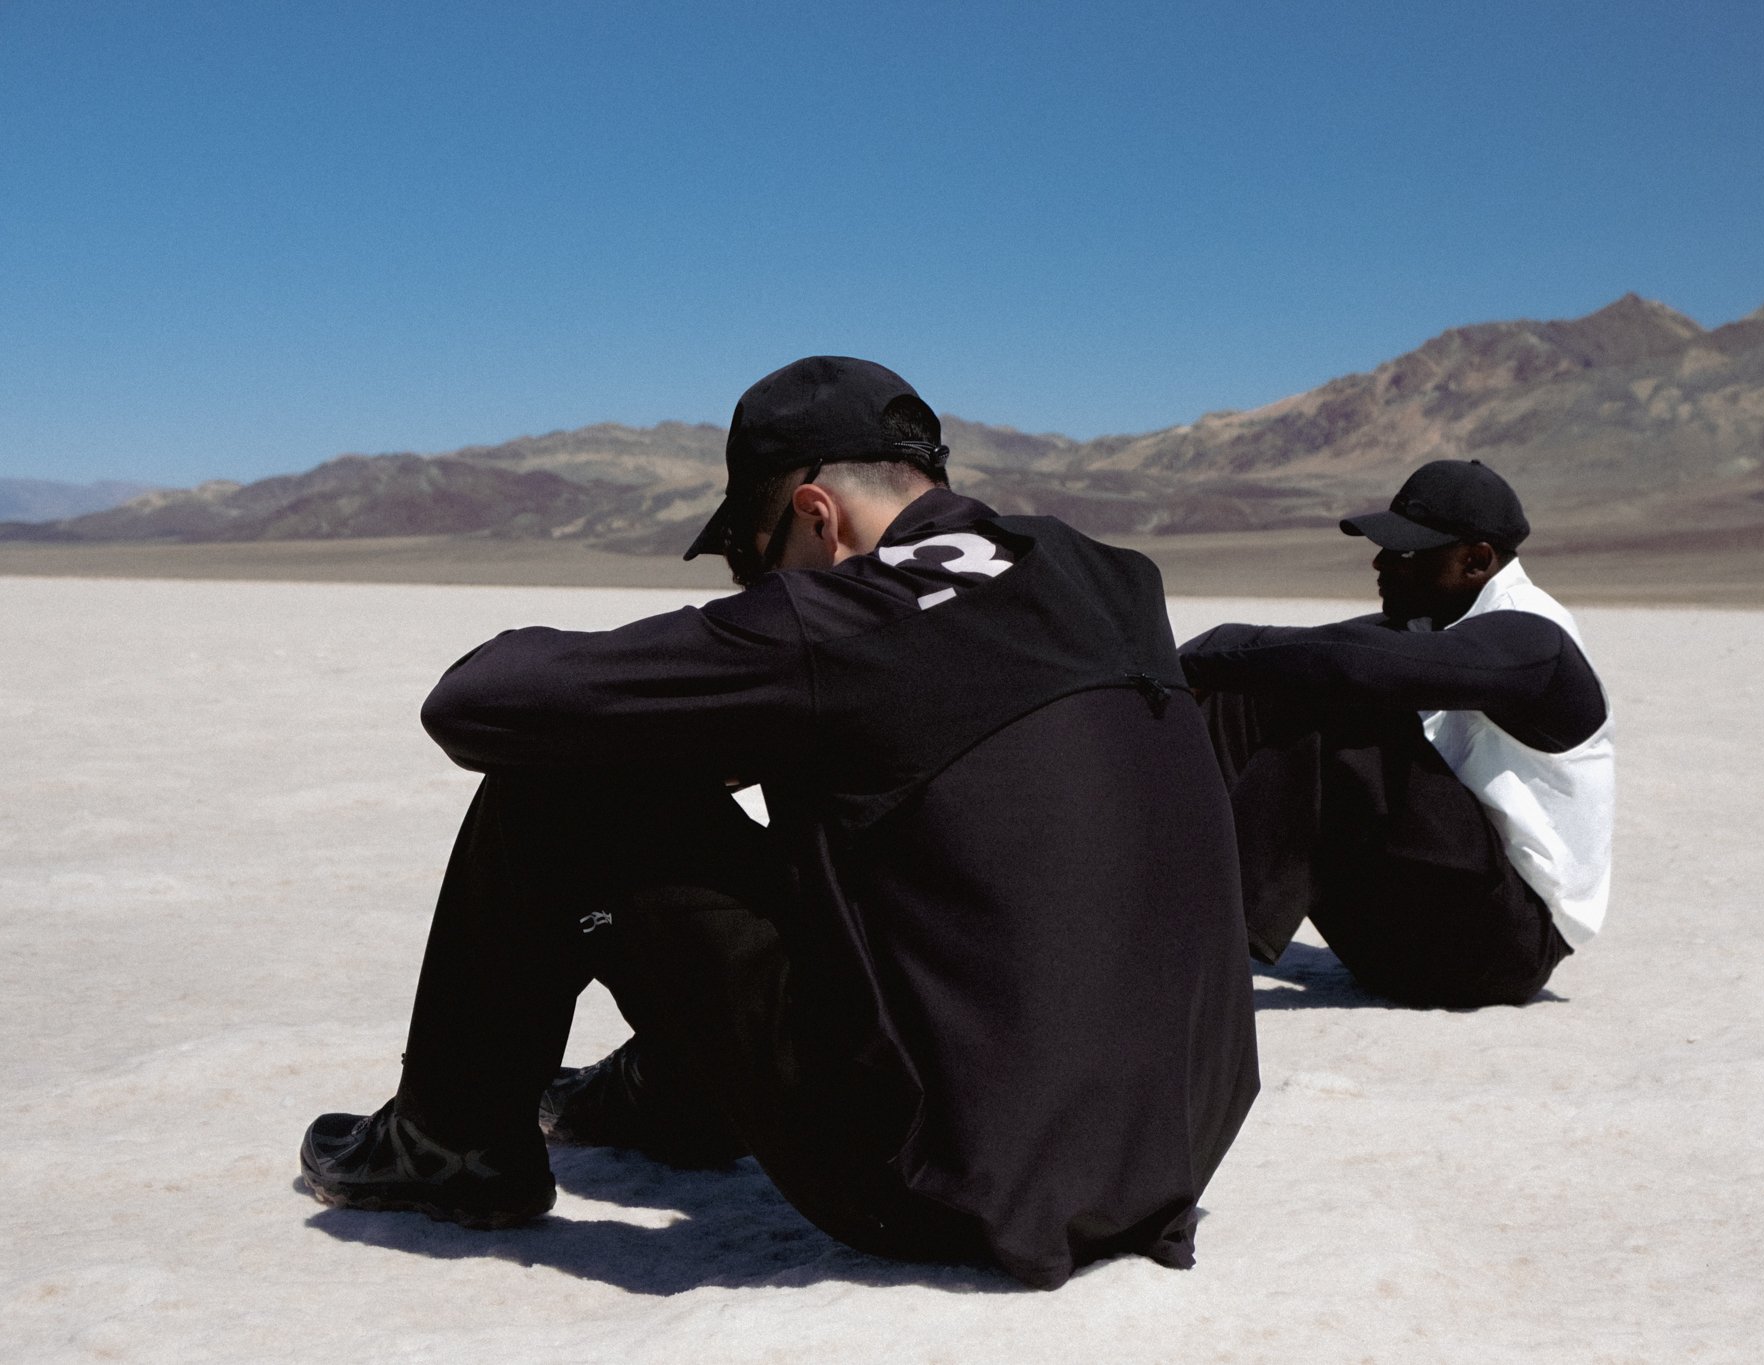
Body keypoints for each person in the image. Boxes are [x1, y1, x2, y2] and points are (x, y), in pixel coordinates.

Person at [298, 356, 1259, 1289]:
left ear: (816, 514)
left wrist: (705, 721)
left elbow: (475, 700)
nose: (755, 592)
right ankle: (677, 1094)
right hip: (1170, 1151)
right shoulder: (1109, 576)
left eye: (755, 562)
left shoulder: (853, 614)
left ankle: (450, 1142)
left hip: (939, 1186)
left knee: (562, 785)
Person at [1178, 458, 1612, 1009]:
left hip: (1500, 951)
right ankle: (1143, 885)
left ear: (1476, 560)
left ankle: (1189, 938)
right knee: (1258, 682)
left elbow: (1350, 665)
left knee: (1337, 701)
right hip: (1398, 940)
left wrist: (1213, 656)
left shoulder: (1534, 641)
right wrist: (1183, 668)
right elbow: (1296, 651)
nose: (1381, 562)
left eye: (1405, 552)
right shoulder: (1430, 623)